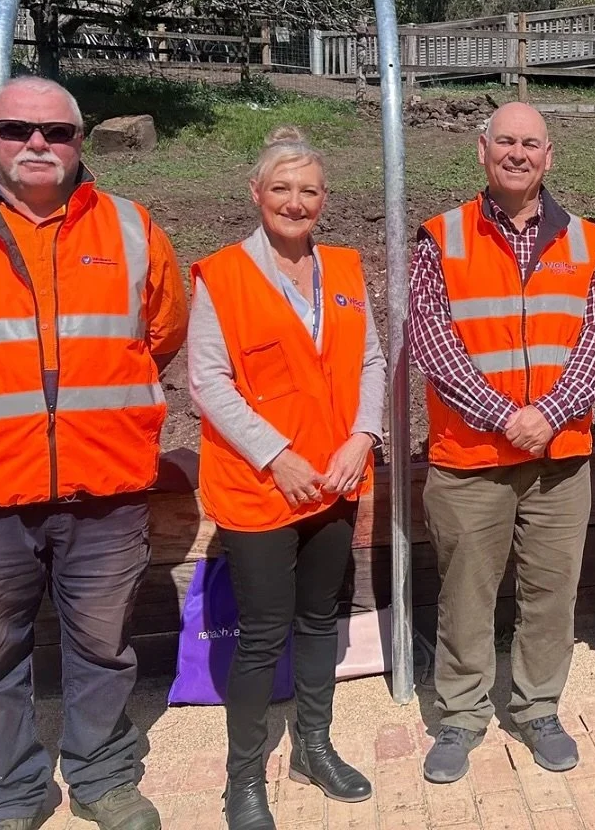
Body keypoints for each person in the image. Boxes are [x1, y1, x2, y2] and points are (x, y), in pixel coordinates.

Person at [0, 77, 187, 830]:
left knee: (104, 646)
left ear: (81, 142)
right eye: (16, 129)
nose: (37, 143)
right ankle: (10, 793)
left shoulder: (131, 229)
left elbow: (163, 333)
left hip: (103, 487)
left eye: (57, 132)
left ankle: (102, 777)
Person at [408, 101, 595, 784]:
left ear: (549, 156)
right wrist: (505, 416)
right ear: (482, 151)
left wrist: (550, 413)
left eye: (531, 143)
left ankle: (538, 708)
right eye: (506, 142)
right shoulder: (442, 238)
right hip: (471, 459)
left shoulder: (586, 241)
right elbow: (432, 341)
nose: (518, 154)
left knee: (552, 593)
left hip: (559, 460)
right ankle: (462, 716)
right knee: (466, 593)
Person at [188, 126, 384, 829]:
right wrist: (277, 454)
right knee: (265, 633)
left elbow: (368, 363)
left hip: (333, 479)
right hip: (261, 486)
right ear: (256, 194)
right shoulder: (225, 276)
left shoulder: (345, 269)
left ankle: (315, 747)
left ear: (324, 199)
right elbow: (207, 382)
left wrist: (364, 436)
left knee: (317, 619)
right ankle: (243, 781)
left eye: (307, 190)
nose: (294, 203)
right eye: (281, 189)